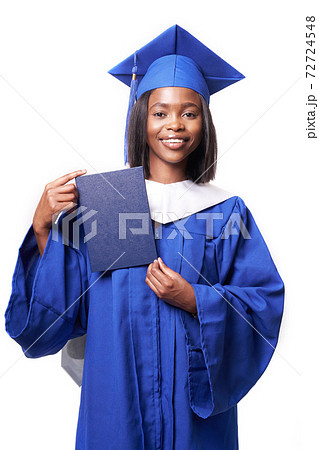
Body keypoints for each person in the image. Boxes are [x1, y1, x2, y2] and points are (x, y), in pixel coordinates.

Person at [4, 25, 284, 450]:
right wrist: (43, 226)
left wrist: (195, 299)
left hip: (196, 419)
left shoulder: (226, 212)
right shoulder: (108, 204)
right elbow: (57, 317)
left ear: (204, 123)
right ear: (141, 117)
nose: (175, 125)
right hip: (115, 408)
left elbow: (262, 306)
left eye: (189, 113)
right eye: (160, 112)